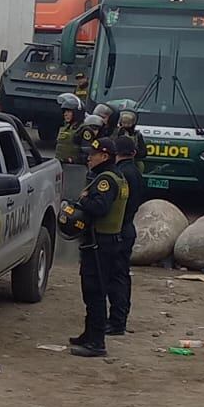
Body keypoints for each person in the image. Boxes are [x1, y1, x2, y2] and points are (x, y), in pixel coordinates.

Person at [68, 137, 130, 358]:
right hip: (108, 241)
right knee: (93, 289)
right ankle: (89, 334)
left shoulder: (106, 180)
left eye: (93, 155)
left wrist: (83, 199)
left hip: (100, 243)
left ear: (104, 156)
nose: (89, 158)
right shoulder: (118, 176)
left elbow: (100, 207)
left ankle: (96, 342)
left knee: (95, 290)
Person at [109, 134, 145, 336]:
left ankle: (117, 321)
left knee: (117, 277)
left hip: (120, 229)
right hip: (128, 227)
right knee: (121, 275)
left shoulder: (122, 174)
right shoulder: (135, 171)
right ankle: (118, 319)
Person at [54, 93, 85, 163]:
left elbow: (86, 152)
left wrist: (74, 160)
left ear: (77, 112)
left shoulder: (83, 129)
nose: (65, 114)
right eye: (65, 112)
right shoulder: (65, 128)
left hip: (74, 167)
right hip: (60, 164)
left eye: (68, 111)